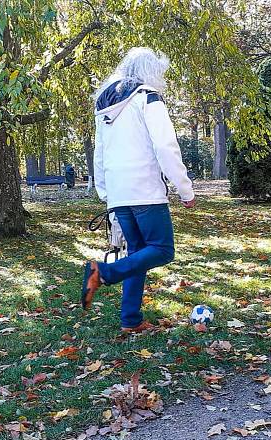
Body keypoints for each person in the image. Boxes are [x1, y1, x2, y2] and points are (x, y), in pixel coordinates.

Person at [80, 47, 195, 333]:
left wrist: (107, 194)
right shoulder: (148, 97)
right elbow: (166, 146)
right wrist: (185, 189)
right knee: (162, 249)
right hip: (145, 189)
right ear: (151, 72)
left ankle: (130, 320)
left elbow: (100, 154)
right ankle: (103, 272)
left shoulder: (103, 106)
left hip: (120, 193)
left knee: (137, 254)